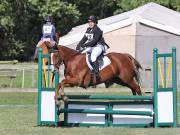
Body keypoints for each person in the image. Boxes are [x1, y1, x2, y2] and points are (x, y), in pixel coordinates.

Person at [76, 15, 109, 80]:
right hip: (91, 46)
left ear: (95, 22)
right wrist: (79, 45)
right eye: (89, 22)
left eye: (92, 22)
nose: (90, 23)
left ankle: (97, 74)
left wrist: (84, 45)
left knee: (93, 56)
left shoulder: (98, 30)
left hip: (99, 46)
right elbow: (84, 38)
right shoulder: (88, 29)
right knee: (80, 54)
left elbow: (94, 41)